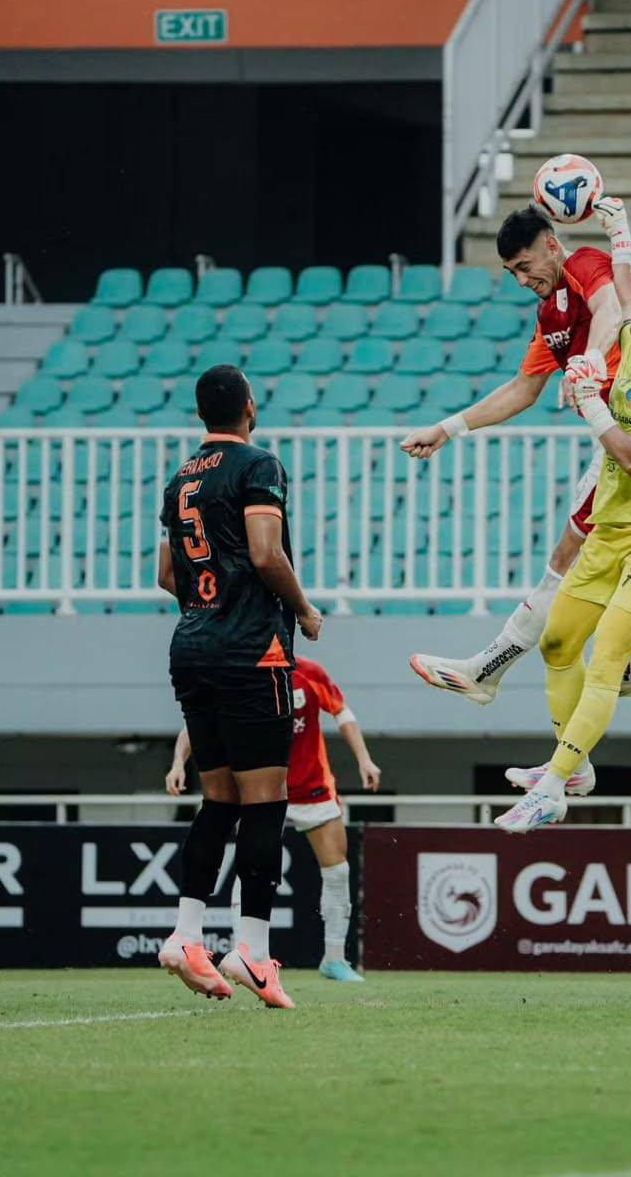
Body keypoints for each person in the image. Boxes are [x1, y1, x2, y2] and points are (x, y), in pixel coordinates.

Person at [495, 246, 631, 833]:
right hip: (614, 527)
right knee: (558, 644)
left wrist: (591, 401)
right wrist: (619, 238)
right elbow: (619, 294)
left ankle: (549, 788)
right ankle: (573, 770)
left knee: (606, 658)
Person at [400, 203, 631, 714]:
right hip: (615, 448)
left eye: (524, 265)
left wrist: (588, 360)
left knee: (565, 565)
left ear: (552, 246)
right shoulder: (549, 315)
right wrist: (448, 429)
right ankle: (627, 667)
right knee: (583, 572)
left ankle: (485, 673)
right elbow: (521, 390)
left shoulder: (583, 265)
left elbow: (612, 309)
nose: (520, 279)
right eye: (511, 271)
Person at [156, 364, 322, 1011]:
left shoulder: (179, 481)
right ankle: (252, 948)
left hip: (191, 646)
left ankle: (187, 934)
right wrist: (303, 610)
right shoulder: (259, 465)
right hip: (253, 651)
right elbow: (264, 553)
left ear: (204, 415)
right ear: (248, 407)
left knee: (218, 801)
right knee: (265, 801)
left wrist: (210, 602)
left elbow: (169, 574)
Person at [165, 655, 381, 984]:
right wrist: (178, 763)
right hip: (260, 790)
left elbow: (342, 712)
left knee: (338, 869)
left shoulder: (310, 672)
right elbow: (198, 723)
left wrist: (364, 759)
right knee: (248, 866)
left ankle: (335, 959)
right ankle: (246, 953)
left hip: (311, 788)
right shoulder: (242, 671)